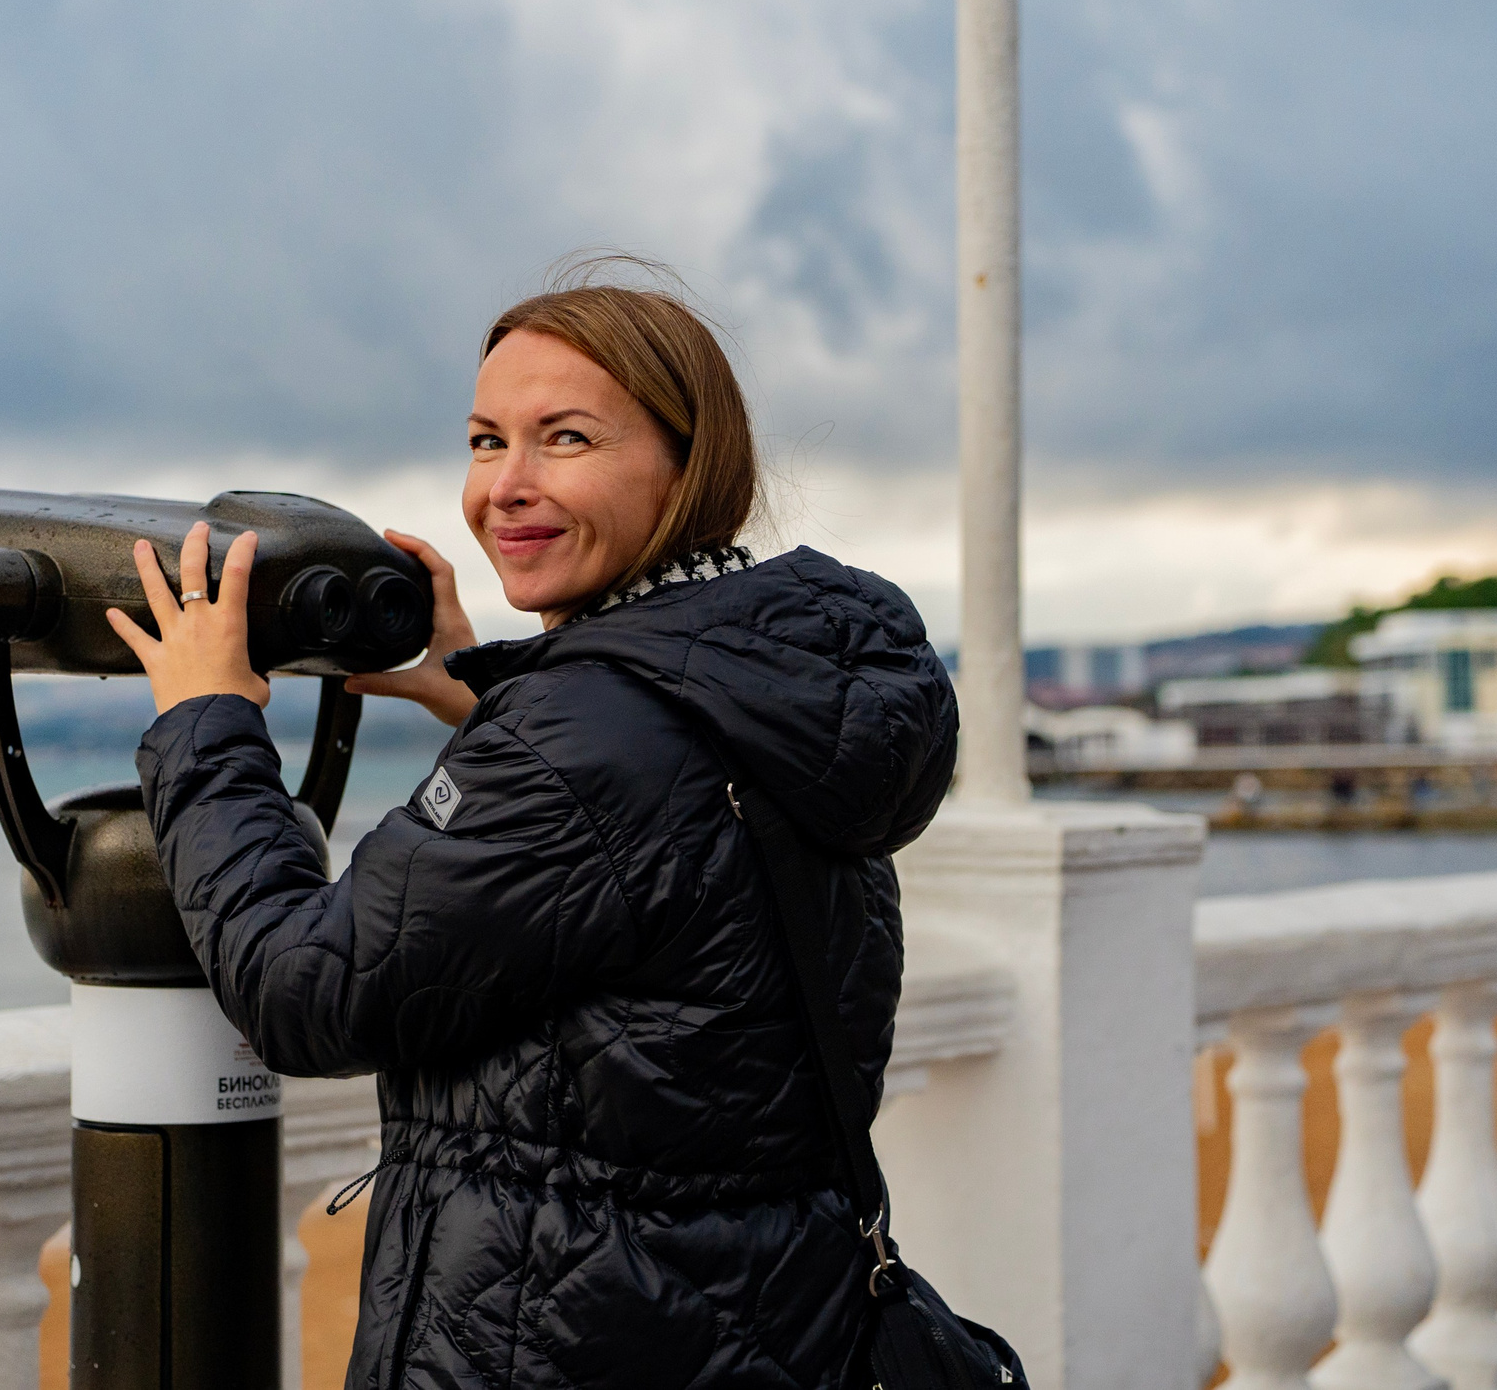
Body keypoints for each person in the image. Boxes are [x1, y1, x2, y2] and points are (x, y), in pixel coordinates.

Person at [108, 265, 958, 1388]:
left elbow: (302, 992)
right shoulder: (773, 684)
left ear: (689, 464)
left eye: (565, 439)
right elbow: (658, 856)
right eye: (484, 441)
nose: (505, 487)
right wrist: (490, 694)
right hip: (755, 1322)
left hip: (554, 1340)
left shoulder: (585, 742)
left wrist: (205, 724)